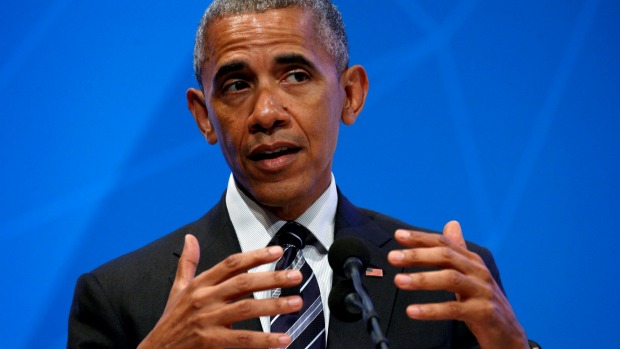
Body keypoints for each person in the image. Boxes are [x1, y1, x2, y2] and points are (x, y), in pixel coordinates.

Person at [68, 0, 535, 348]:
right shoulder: (120, 297)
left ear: (350, 94)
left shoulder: (446, 279)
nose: (266, 112)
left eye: (295, 75)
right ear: (204, 115)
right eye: (236, 85)